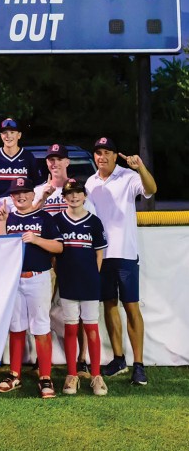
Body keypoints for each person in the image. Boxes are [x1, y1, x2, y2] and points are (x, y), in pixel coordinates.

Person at [85, 137, 157, 386]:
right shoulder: (90, 182)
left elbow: (151, 190)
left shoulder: (127, 176)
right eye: (98, 152)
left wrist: (141, 168)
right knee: (109, 305)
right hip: (102, 254)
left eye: (106, 152)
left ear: (116, 155)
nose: (101, 157)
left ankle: (139, 364)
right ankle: (119, 358)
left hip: (125, 253)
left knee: (131, 307)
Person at [0, 177, 63, 399]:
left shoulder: (44, 217)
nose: (21, 196)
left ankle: (45, 376)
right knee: (16, 327)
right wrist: (1, 224)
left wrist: (36, 240)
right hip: (14, 279)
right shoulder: (8, 216)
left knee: (41, 327)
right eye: (16, 193)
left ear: (33, 195)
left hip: (38, 277)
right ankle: (14, 374)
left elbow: (59, 246)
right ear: (11, 197)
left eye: (25, 192)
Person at [33, 143, 96, 379]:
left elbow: (92, 224)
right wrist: (43, 198)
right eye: (51, 159)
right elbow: (29, 217)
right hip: (47, 258)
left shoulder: (78, 191)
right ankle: (42, 360)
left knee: (78, 312)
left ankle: (83, 360)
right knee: (43, 310)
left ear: (67, 162)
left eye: (59, 159)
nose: (54, 163)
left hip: (73, 259)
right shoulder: (40, 190)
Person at [55, 179, 108, 396]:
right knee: (70, 328)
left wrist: (93, 276)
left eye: (78, 193)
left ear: (84, 196)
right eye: (70, 194)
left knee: (91, 328)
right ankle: (72, 374)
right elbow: (54, 255)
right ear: (64, 198)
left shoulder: (94, 221)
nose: (74, 197)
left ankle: (96, 374)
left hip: (89, 283)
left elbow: (99, 253)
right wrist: (61, 275)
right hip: (68, 281)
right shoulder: (57, 221)